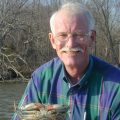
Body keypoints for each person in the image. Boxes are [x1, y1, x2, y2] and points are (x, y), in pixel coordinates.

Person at [12, 2, 120, 120]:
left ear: (92, 38)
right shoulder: (41, 79)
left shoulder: (116, 87)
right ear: (53, 40)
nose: (70, 44)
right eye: (62, 35)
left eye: (78, 34)